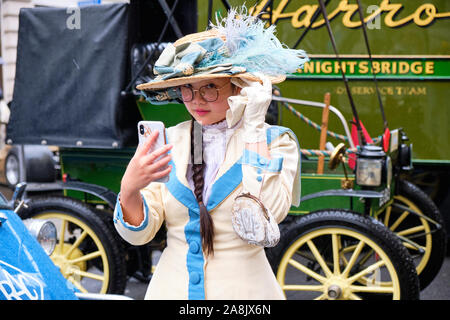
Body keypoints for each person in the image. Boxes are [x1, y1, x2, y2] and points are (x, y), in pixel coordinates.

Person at [113, 8, 308, 300]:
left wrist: (254, 126)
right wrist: (129, 189)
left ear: (240, 86)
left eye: (210, 88)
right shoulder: (169, 139)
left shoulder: (276, 142)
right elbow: (140, 235)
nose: (196, 101)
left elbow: (267, 218)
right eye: (188, 89)